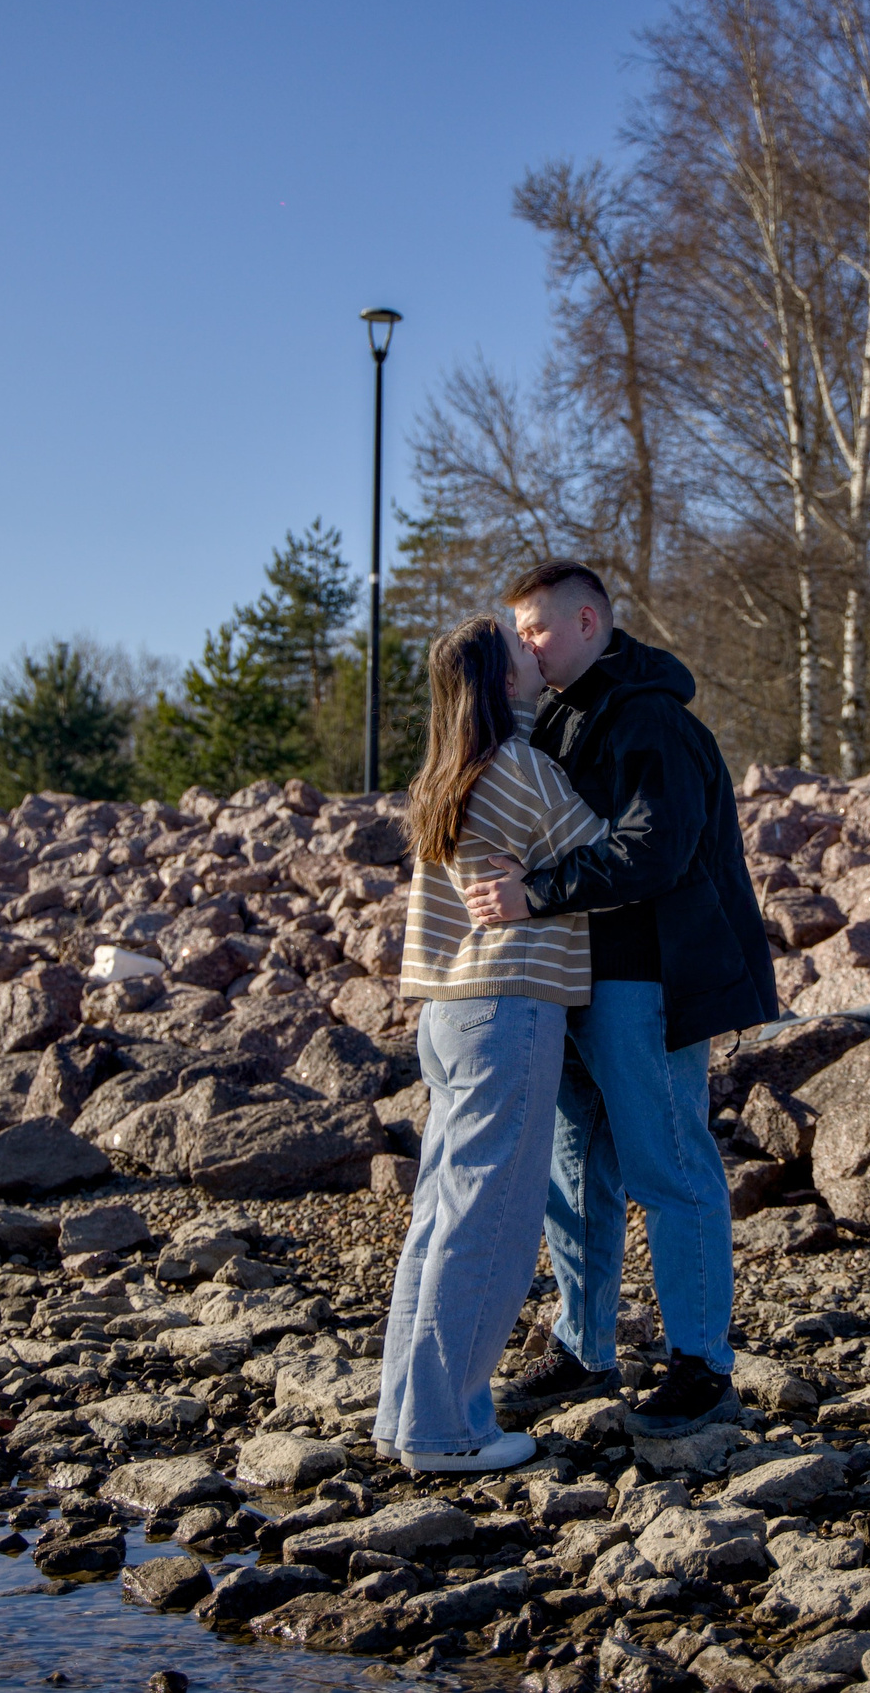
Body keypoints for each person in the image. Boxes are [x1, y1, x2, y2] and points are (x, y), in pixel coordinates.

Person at [464, 560, 779, 1438]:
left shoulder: (648, 718)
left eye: (535, 627)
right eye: (519, 631)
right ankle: (582, 1347)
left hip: (647, 975)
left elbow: (657, 851)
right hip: (579, 977)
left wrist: (537, 893)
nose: (522, 642)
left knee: (669, 1165)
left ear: (590, 622)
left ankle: (703, 1366)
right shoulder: (565, 714)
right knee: (576, 1170)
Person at [373, 613, 611, 1474]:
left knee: (440, 1219)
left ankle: (406, 1413)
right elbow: (604, 855)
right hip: (507, 1007)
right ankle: (449, 1431)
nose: (537, 654)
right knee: (494, 1224)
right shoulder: (521, 770)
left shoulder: (444, 774)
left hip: (446, 1012)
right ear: (503, 682)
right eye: (522, 650)